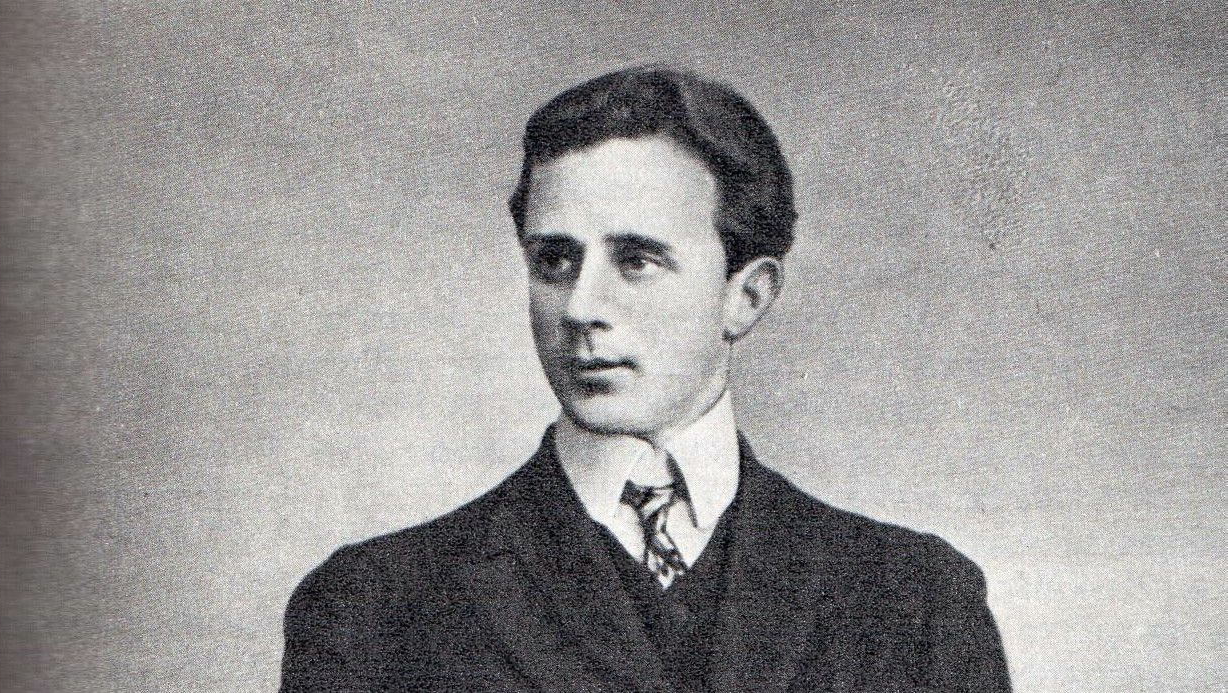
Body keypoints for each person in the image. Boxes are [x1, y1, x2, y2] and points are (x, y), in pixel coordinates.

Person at [280, 66, 1012, 692]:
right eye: (554, 261)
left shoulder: (914, 600)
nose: (580, 308)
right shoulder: (373, 607)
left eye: (636, 260)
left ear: (746, 295)